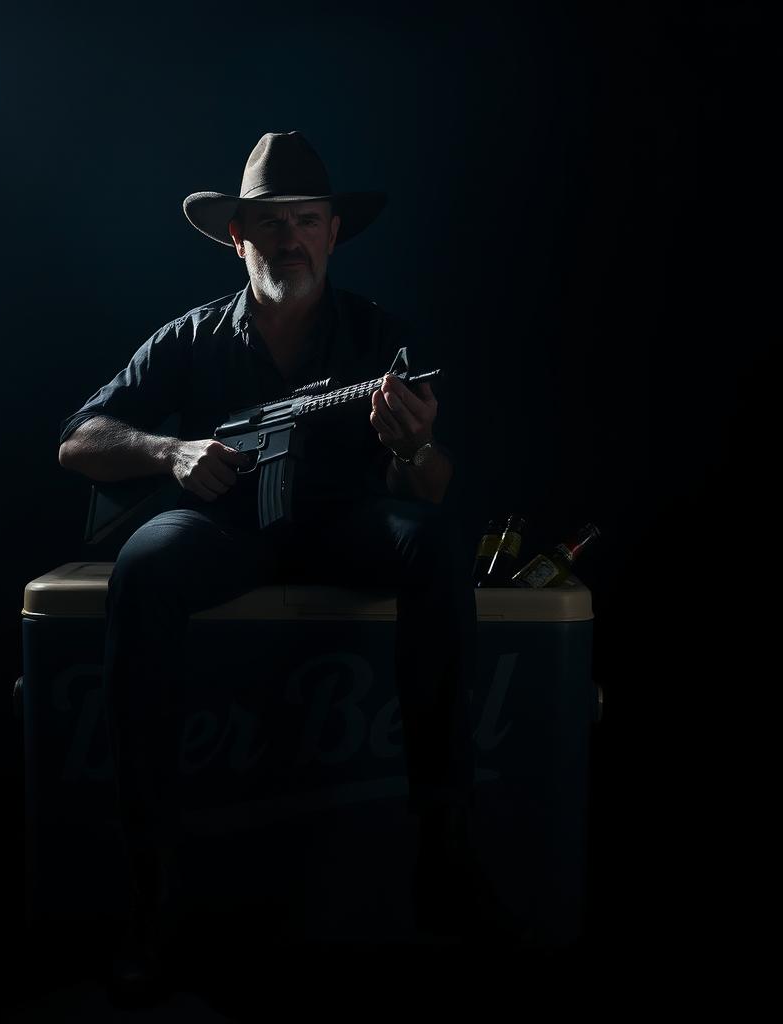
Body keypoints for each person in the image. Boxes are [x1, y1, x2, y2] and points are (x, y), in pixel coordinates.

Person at [58, 131, 513, 1001]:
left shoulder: (379, 337)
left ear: (333, 233)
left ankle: (443, 856)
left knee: (436, 542)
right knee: (143, 568)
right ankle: (150, 889)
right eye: (270, 226)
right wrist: (172, 453)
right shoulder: (190, 338)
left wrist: (413, 449)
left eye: (306, 222)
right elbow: (78, 440)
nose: (290, 242)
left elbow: (434, 484)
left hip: (345, 521)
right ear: (238, 238)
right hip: (222, 526)